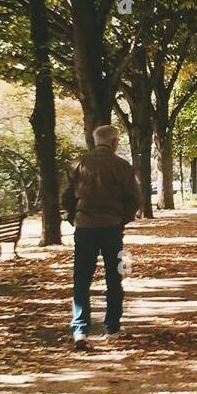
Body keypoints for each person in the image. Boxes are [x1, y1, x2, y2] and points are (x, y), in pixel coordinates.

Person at [61, 124, 143, 350]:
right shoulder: (122, 166)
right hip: (112, 229)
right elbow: (135, 199)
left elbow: (66, 197)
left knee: (81, 279)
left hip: (84, 228)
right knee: (114, 277)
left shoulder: (78, 165)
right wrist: (121, 219)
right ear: (115, 142)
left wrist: (74, 218)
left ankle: (80, 330)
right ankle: (112, 328)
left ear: (95, 141)